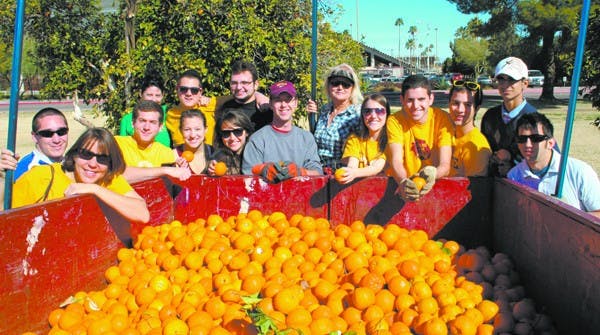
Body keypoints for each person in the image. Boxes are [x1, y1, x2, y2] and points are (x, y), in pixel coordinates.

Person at [12, 127, 150, 223]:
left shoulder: (107, 179)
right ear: (75, 154)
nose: (93, 164)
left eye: (102, 158)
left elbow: (142, 214)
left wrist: (95, 189)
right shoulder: (41, 176)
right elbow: (8, 215)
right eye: (86, 155)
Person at [508, 113, 600, 217]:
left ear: (551, 143)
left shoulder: (579, 172)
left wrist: (569, 219)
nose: (527, 144)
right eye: (522, 139)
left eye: (536, 138)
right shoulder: (514, 176)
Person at [387, 74, 453, 201]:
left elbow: (445, 164)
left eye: (421, 99)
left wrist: (434, 174)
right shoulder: (395, 121)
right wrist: (403, 182)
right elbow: (396, 160)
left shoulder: (443, 119)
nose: (416, 106)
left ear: (431, 99)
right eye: (410, 100)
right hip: (406, 185)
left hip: (435, 189)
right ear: (402, 100)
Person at [242, 81, 322, 180]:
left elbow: (318, 172)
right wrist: (264, 170)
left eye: (288, 99)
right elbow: (248, 174)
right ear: (270, 104)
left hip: (300, 193)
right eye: (278, 100)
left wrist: (300, 172)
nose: (283, 105)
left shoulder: (307, 138)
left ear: (296, 103)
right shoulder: (257, 139)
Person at [481, 56, 537, 177]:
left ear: (525, 83)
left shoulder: (535, 120)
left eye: (511, 79)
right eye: (501, 79)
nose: (505, 85)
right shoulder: (489, 117)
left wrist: (511, 159)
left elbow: (543, 160)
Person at [115, 100, 191, 182]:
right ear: (133, 123)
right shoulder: (117, 144)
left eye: (152, 122)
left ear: (160, 127)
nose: (147, 127)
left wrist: (181, 173)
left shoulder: (166, 153)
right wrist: (165, 170)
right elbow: (117, 175)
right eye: (142, 121)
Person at [307, 63, 363, 172]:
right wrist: (311, 117)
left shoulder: (358, 114)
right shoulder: (324, 111)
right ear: (328, 86)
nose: (340, 87)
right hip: (319, 172)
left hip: (342, 175)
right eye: (335, 83)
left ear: (353, 88)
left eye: (346, 84)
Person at [1, 108, 69, 181]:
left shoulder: (73, 165)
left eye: (62, 132)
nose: (56, 140)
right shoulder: (26, 170)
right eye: (47, 134)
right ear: (34, 136)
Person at [336, 93, 390, 184]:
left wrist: (355, 173)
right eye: (367, 111)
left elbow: (377, 168)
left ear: (387, 114)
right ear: (362, 115)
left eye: (379, 111)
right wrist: (348, 172)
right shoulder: (355, 139)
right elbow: (352, 164)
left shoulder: (390, 140)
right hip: (360, 190)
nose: (373, 116)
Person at [448, 80, 492, 177]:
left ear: (476, 109)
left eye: (467, 105)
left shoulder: (476, 146)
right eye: (455, 103)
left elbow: (475, 190)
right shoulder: (446, 133)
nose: (460, 110)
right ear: (449, 104)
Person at [216, 60, 272, 131]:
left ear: (256, 84)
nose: (238, 87)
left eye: (244, 83)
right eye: (234, 83)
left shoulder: (265, 111)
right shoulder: (225, 109)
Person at [165, 69, 217, 146]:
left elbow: (236, 98)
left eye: (194, 90)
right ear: (177, 90)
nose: (188, 93)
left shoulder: (209, 104)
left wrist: (211, 101)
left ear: (200, 92)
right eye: (183, 89)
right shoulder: (171, 114)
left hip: (210, 156)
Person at [120, 78, 171, 147]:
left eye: (157, 95)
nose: (153, 99)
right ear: (141, 93)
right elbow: (122, 147)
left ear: (163, 95)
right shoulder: (127, 119)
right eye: (149, 95)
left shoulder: (169, 113)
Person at [208, 110, 254, 176]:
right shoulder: (218, 157)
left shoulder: (256, 154)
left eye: (237, 131)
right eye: (226, 133)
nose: (232, 138)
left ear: (247, 132)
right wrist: (210, 171)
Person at [173, 109, 213, 174]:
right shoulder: (173, 156)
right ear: (181, 131)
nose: (193, 135)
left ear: (205, 129)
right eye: (187, 129)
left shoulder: (215, 153)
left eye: (197, 129)